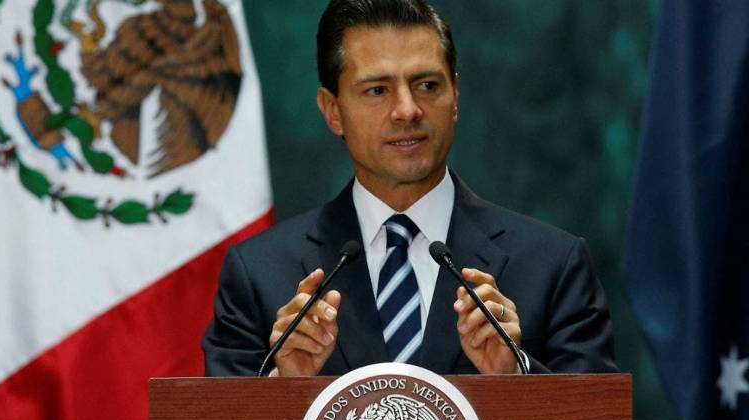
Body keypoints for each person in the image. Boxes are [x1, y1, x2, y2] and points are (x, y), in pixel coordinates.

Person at [202, 0, 618, 377]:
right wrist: (284, 389)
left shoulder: (553, 267)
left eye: (427, 85)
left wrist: (515, 377)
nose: (407, 110)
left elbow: (597, 417)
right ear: (332, 111)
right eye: (377, 90)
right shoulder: (259, 275)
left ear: (455, 96)